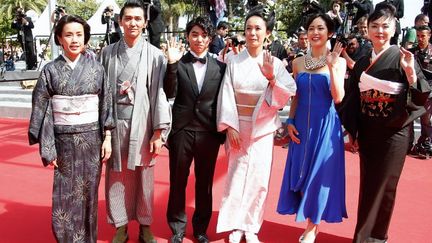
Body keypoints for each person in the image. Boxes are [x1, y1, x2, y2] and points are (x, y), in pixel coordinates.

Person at [339, 3, 431, 243]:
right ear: (367, 30)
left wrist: (410, 72)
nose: (380, 30)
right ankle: (371, 236)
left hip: (394, 133)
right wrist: (353, 131)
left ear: (393, 29)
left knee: (385, 186)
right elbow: (352, 98)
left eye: (385, 26)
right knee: (369, 185)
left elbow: (422, 95)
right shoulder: (361, 63)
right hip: (369, 131)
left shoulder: (403, 57)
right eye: (374, 26)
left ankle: (372, 238)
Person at [28, 14, 114, 242]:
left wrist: (107, 137)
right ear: (59, 38)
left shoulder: (97, 69)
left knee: (88, 195)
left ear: (85, 38)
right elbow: (42, 107)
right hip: (63, 144)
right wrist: (47, 147)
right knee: (64, 197)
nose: (74, 39)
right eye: (68, 34)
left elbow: (106, 103)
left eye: (79, 34)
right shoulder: (50, 70)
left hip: (91, 142)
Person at [216, 5, 296, 243]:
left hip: (262, 128)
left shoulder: (276, 63)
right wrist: (230, 126)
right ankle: (235, 225)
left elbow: (287, 93)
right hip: (238, 126)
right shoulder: (233, 60)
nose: (252, 33)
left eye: (257, 28)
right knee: (236, 176)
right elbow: (226, 93)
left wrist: (272, 77)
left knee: (259, 180)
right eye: (248, 28)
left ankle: (251, 226)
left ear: (267, 33)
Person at [99, 1, 172, 242]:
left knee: (145, 176)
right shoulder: (108, 53)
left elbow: (161, 93)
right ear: (120, 21)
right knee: (116, 175)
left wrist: (159, 132)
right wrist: (103, 131)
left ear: (145, 22)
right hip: (114, 124)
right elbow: (100, 92)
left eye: (137, 19)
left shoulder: (154, 55)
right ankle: (120, 225)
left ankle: (145, 224)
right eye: (128, 18)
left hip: (144, 124)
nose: (132, 23)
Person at [277, 13, 347, 243]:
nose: (315, 32)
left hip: (326, 128)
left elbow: (338, 97)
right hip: (300, 128)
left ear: (329, 33)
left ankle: (311, 228)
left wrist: (331, 65)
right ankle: (309, 221)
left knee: (318, 176)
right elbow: (295, 97)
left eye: (320, 28)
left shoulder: (338, 60)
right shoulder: (297, 62)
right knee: (301, 174)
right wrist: (290, 121)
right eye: (311, 28)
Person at [164, 16, 226, 243]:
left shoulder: (221, 68)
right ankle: (177, 229)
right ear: (188, 37)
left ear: (210, 38)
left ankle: (200, 228)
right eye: (194, 34)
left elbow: (223, 100)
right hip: (182, 131)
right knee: (178, 180)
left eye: (204, 35)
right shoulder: (178, 64)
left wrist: (221, 132)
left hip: (209, 133)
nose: (199, 39)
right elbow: (169, 92)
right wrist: (171, 64)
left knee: (205, 183)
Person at [409, 25, 432, 158]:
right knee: (410, 119)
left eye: (423, 36)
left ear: (429, 35)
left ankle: (425, 144)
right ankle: (409, 144)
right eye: (418, 36)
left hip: (428, 91)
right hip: (414, 90)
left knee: (426, 120)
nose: (420, 39)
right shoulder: (412, 52)